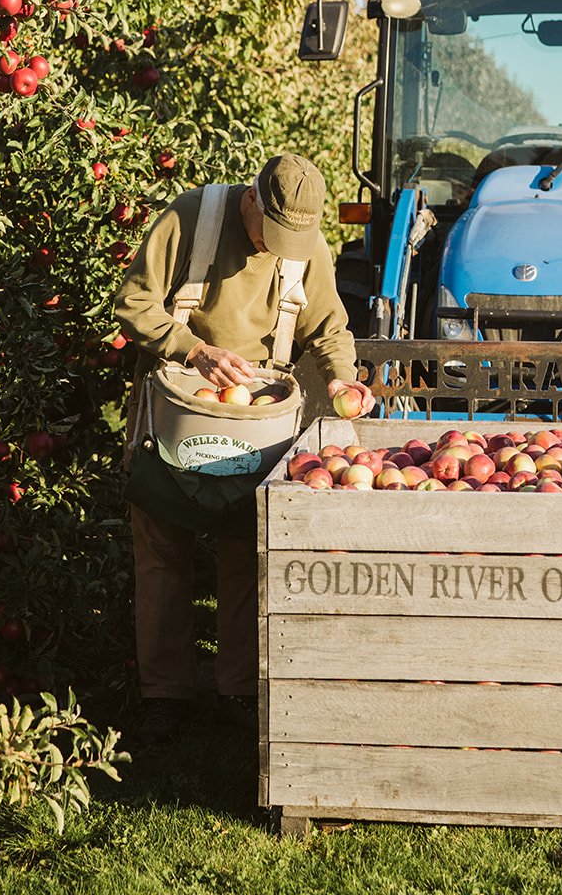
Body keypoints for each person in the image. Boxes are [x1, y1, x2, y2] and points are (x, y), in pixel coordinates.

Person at [115, 153, 374, 744]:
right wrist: (191, 349)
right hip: (177, 406)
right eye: (272, 232)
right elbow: (132, 303)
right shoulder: (190, 217)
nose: (279, 247)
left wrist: (339, 375)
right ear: (251, 198)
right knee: (161, 547)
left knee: (245, 548)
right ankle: (165, 694)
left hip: (256, 417)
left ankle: (236, 687)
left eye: (294, 239)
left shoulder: (305, 244)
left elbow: (328, 325)